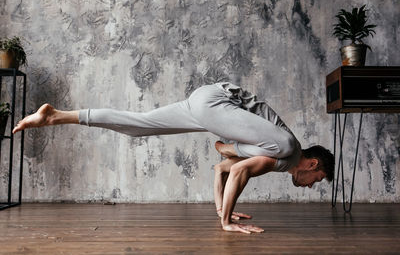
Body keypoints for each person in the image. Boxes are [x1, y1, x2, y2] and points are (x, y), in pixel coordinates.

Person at [12, 82, 334, 234]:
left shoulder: (275, 159)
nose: (309, 185)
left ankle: (57, 116)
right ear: (312, 164)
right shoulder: (288, 152)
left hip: (204, 103)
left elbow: (222, 172)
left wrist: (222, 209)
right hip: (218, 103)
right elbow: (236, 171)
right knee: (280, 145)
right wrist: (226, 223)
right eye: (316, 180)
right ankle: (232, 148)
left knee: (138, 126)